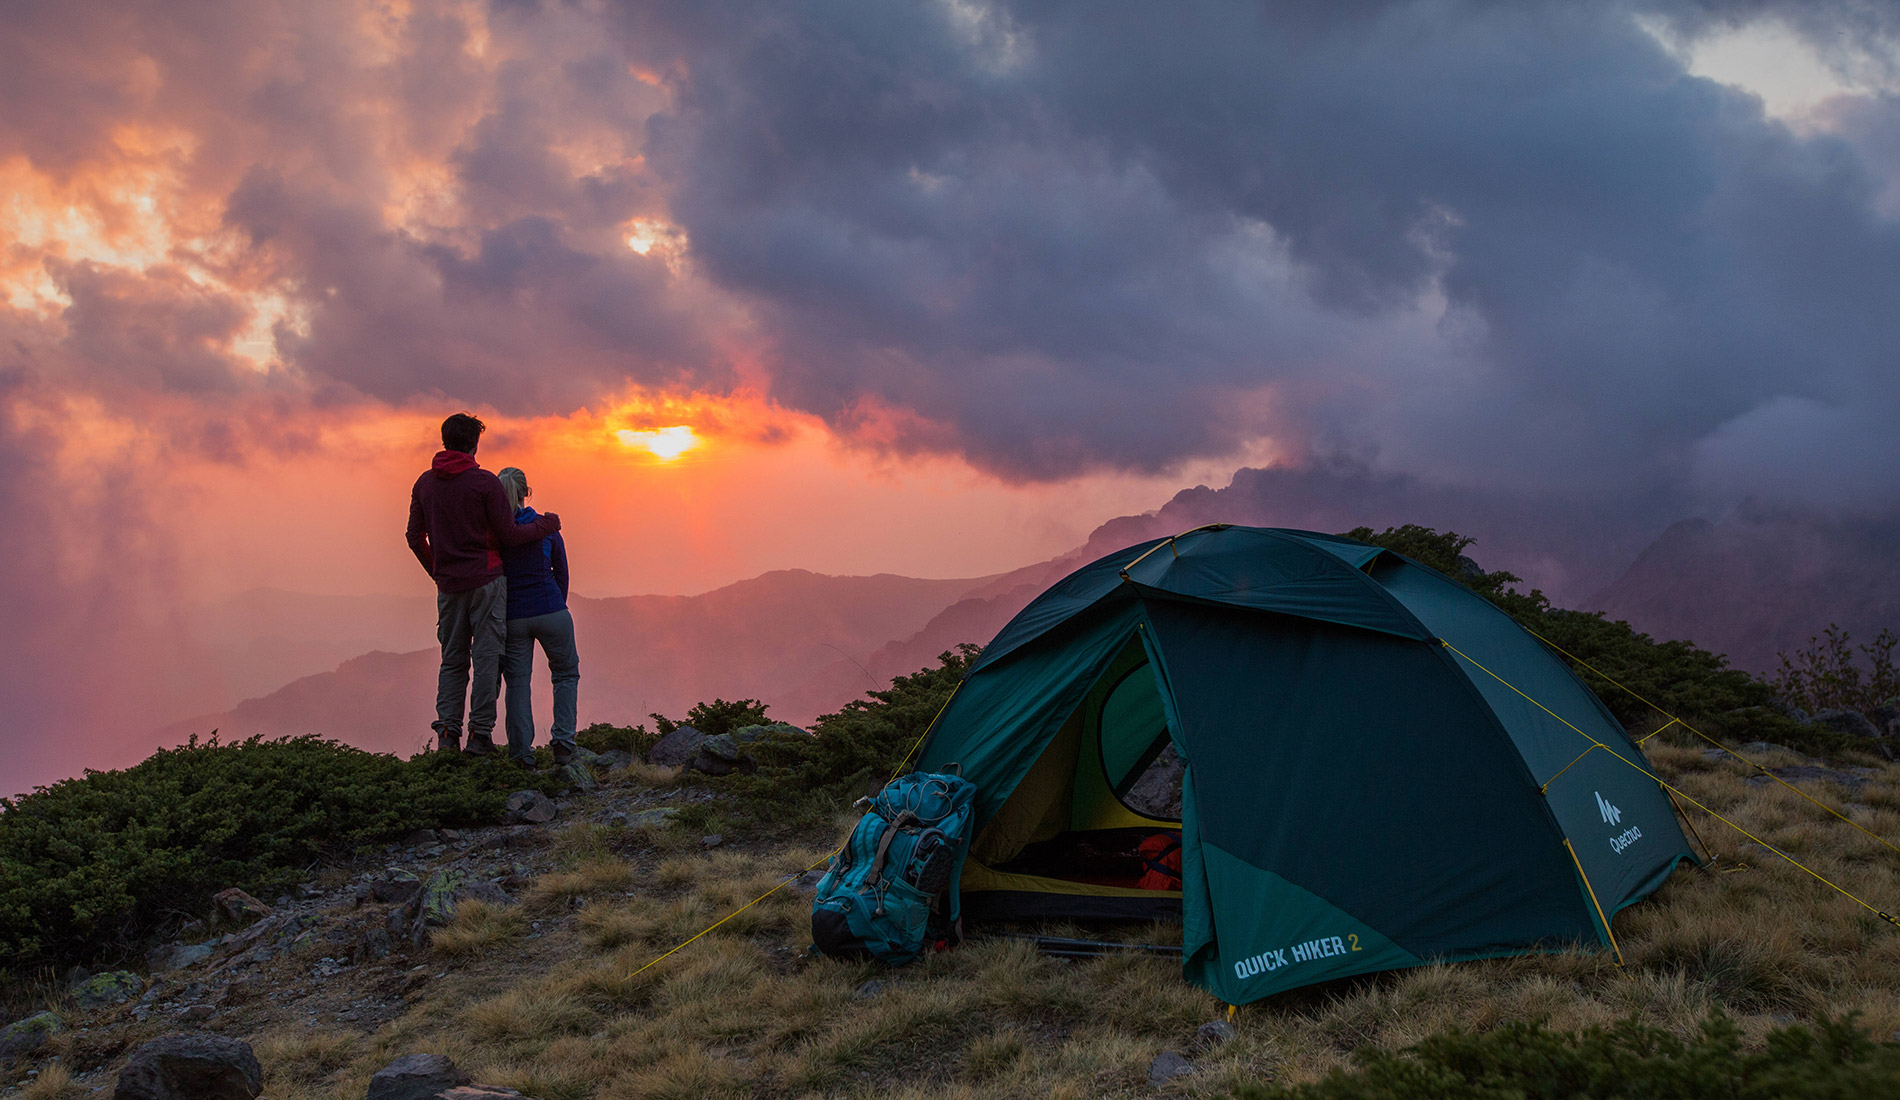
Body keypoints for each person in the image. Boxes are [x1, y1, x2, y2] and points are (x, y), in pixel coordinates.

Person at [405, 413, 560, 755]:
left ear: (445, 441)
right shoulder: (485, 483)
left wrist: (437, 571)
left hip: (449, 586)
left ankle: (447, 733)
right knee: (487, 657)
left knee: (453, 658)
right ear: (475, 444)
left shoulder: (425, 484)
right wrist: (548, 525)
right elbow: (509, 534)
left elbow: (414, 536)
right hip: (488, 581)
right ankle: (480, 735)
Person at [495, 467, 581, 767]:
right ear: (526, 492)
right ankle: (563, 744)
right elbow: (562, 571)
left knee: (517, 683)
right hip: (551, 609)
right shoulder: (545, 528)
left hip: (513, 616)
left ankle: (521, 755)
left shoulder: (496, 533)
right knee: (566, 675)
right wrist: (556, 602)